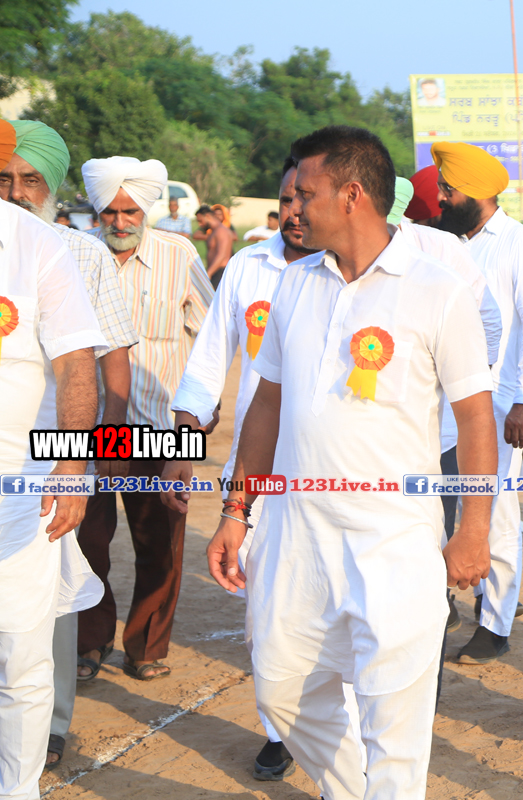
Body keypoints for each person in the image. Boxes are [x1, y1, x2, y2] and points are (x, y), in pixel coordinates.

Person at [205, 124, 496, 800]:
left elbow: (476, 418)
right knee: (281, 694)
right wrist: (236, 510)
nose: (292, 210)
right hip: (295, 534)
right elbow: (267, 405)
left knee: (395, 723)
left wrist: (475, 528)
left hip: (393, 541)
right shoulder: (294, 282)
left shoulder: (438, 289)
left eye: (304, 195)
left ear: (352, 195)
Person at [163, 155, 321, 781]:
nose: (294, 211)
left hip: (329, 468)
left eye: (305, 198)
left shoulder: (351, 270)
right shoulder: (249, 268)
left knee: (326, 604)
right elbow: (207, 365)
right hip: (253, 471)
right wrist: (181, 450)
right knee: (263, 611)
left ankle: (332, 729)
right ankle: (281, 729)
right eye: (286, 199)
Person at [0, 119, 139, 769]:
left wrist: (89, 454)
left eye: (31, 179)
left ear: (52, 186)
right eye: (6, 178)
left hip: (45, 464)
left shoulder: (71, 251)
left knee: (39, 619)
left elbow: (104, 361)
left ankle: (48, 730)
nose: (17, 190)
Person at [77, 156, 213, 683]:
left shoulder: (179, 254)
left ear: (147, 210)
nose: (119, 221)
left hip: (163, 428)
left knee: (161, 543)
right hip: (86, 430)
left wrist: (200, 412)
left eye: (130, 211)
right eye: (109, 212)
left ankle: (146, 649)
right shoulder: (75, 253)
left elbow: (211, 337)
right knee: (84, 539)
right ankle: (89, 642)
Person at [432, 141, 523, 664]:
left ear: (475, 192)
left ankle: (495, 621)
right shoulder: (449, 243)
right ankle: (447, 603)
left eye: (448, 189)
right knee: (445, 503)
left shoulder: (521, 245)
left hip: (502, 404)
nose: (441, 197)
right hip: (448, 400)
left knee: (496, 510)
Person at [389, 174, 503, 636]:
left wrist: (462, 378)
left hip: (438, 433)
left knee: (433, 535)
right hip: (351, 454)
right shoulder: (307, 266)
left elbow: (491, 321)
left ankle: (442, 612)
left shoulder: (438, 250)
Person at [195, 204, 235, 287]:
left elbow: (222, 255)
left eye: (201, 221)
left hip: (220, 273)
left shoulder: (221, 231)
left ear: (207, 216)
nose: (200, 224)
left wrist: (208, 273)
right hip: (215, 272)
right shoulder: (214, 231)